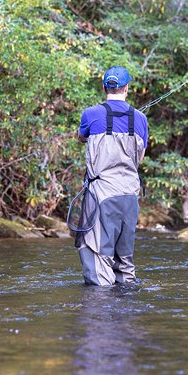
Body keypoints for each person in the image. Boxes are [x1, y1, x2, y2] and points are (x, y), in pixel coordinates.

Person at [75, 66, 148, 286]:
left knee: (97, 254)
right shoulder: (141, 119)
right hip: (130, 196)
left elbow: (81, 137)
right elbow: (141, 158)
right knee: (124, 260)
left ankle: (100, 315)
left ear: (104, 87)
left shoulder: (90, 114)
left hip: (102, 194)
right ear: (127, 88)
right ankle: (125, 312)